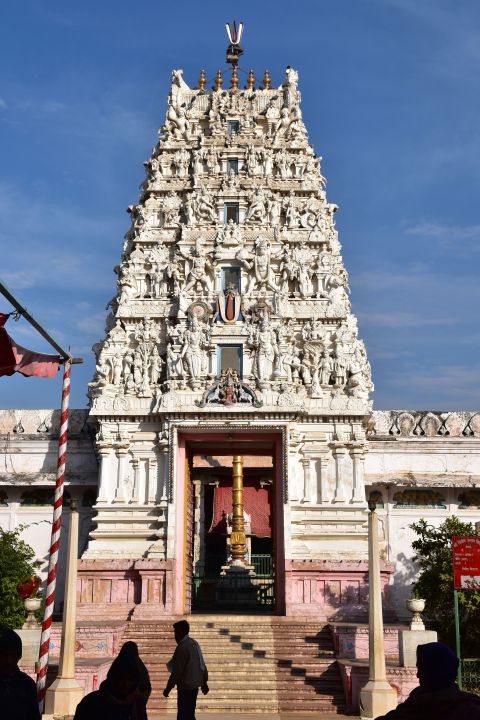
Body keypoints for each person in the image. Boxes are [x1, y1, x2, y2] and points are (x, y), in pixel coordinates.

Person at [376, 641, 480, 720]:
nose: (417, 675)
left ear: (436, 672)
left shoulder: (414, 709)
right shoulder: (470, 705)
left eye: (422, 669)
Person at [73, 654, 147, 720]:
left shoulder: (138, 703)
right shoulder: (90, 703)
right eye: (121, 678)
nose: (125, 684)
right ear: (113, 679)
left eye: (130, 679)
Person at [163, 620, 209, 720]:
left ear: (182, 632)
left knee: (183, 715)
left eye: (176, 632)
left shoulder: (182, 647)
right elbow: (202, 665)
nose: (175, 636)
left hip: (185, 688)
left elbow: (176, 672)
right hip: (194, 687)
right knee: (190, 714)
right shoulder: (194, 643)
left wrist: (168, 688)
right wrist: (204, 682)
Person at [0, 629, 40, 720]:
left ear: (19, 656)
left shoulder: (28, 685)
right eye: (5, 655)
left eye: (13, 655)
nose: (9, 660)